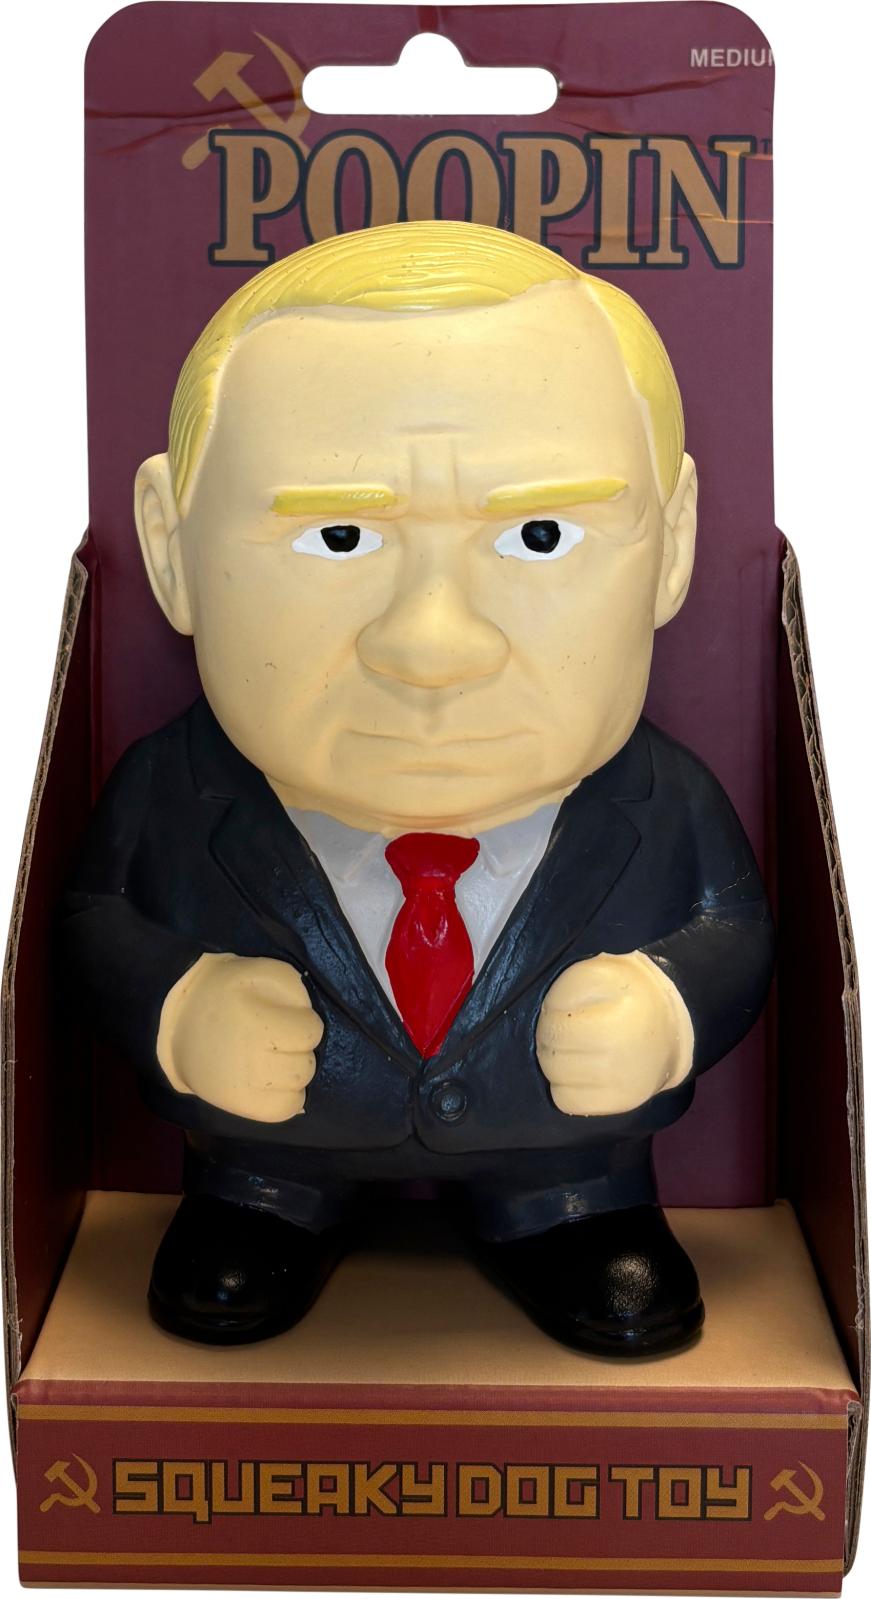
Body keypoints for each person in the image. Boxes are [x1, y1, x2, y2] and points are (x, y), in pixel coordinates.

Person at [65, 221, 774, 1352]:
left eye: (538, 533)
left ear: (672, 542)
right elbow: (98, 918)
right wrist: (181, 1009)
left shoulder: (663, 803)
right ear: (172, 548)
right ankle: (267, 1205)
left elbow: (729, 929)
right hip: (264, 1152)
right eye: (339, 536)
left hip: (571, 1159)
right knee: (250, 1210)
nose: (432, 646)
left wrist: (668, 1010)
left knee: (580, 1211)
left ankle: (565, 1215)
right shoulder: (172, 793)